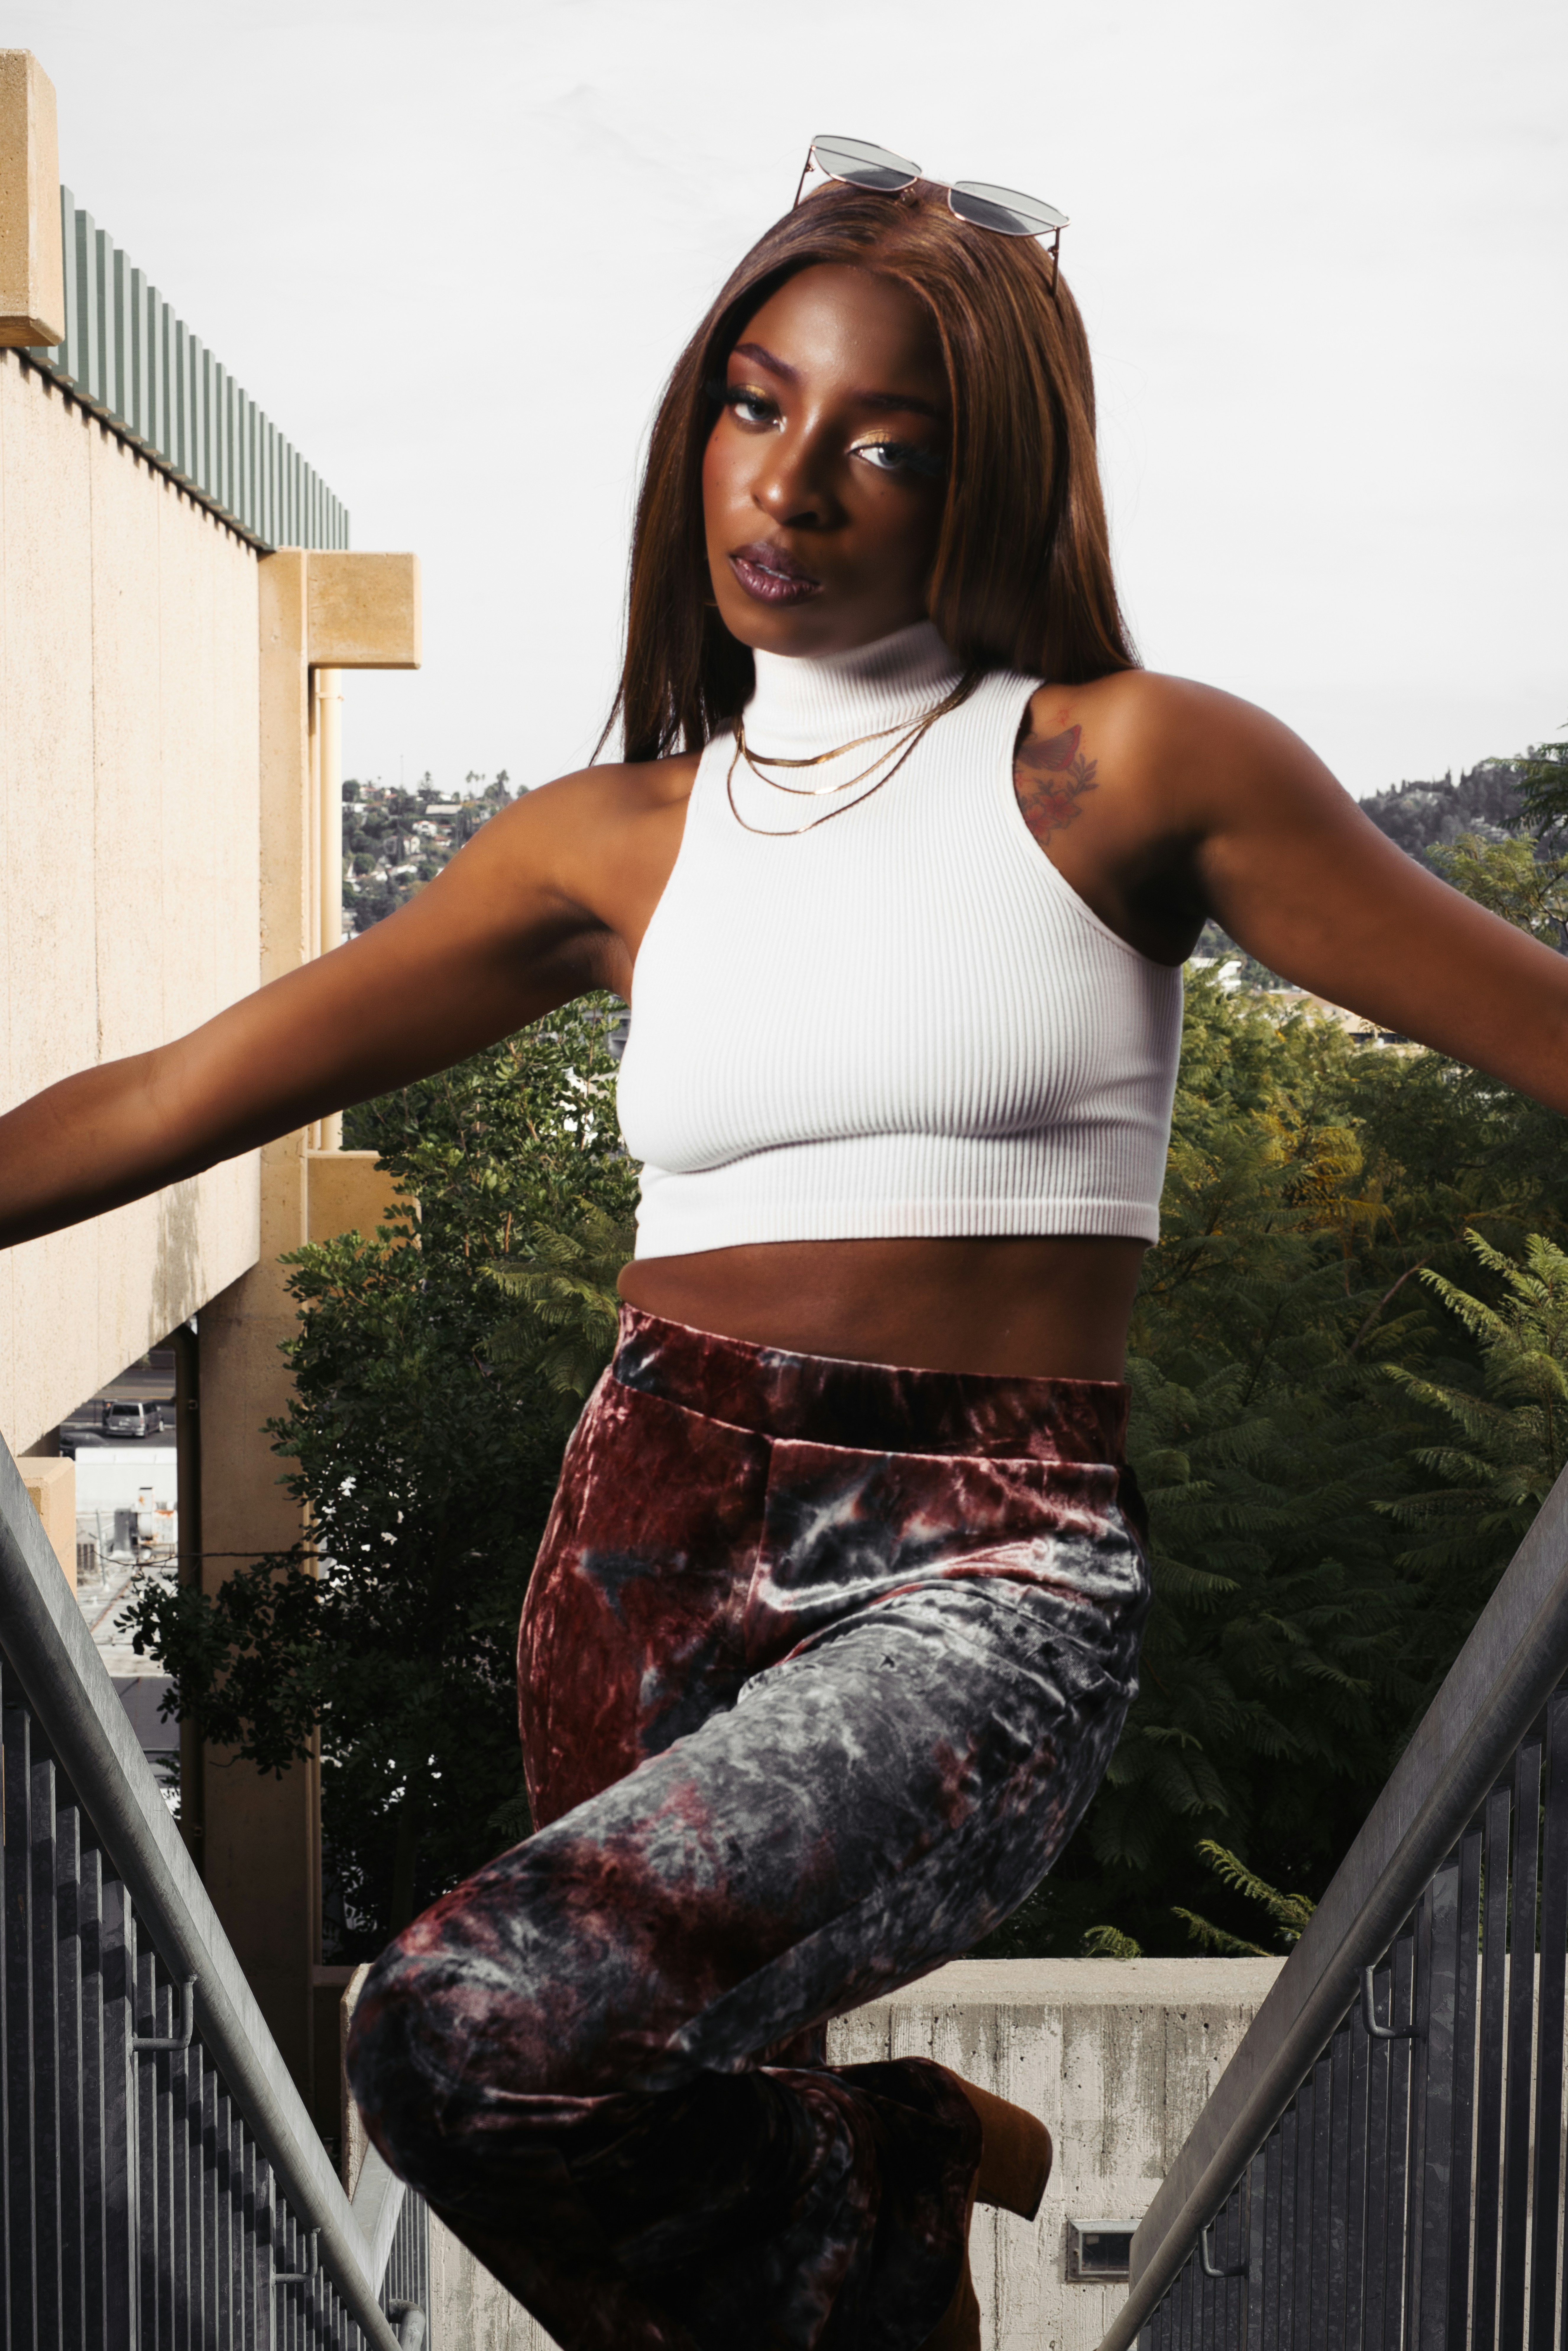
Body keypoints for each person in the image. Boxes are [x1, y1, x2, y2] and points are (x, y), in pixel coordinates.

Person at [3, 148, 1564, 2351]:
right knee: (712, 2232)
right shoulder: (607, 848)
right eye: (753, 403)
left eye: (885, 446)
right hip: (641, 1525)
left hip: (977, 1558)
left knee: (462, 2033)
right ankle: (880, 2222)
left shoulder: (1127, 771)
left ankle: (905, 2156)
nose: (793, 483)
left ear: (987, 486)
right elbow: (174, 1097)